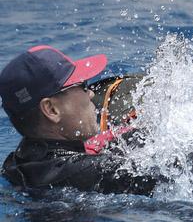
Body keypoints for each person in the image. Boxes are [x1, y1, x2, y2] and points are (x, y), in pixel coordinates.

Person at [0, 45, 157, 194]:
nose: (91, 94)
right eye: (82, 86)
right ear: (51, 110)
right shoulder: (97, 173)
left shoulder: (18, 164)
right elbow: (172, 176)